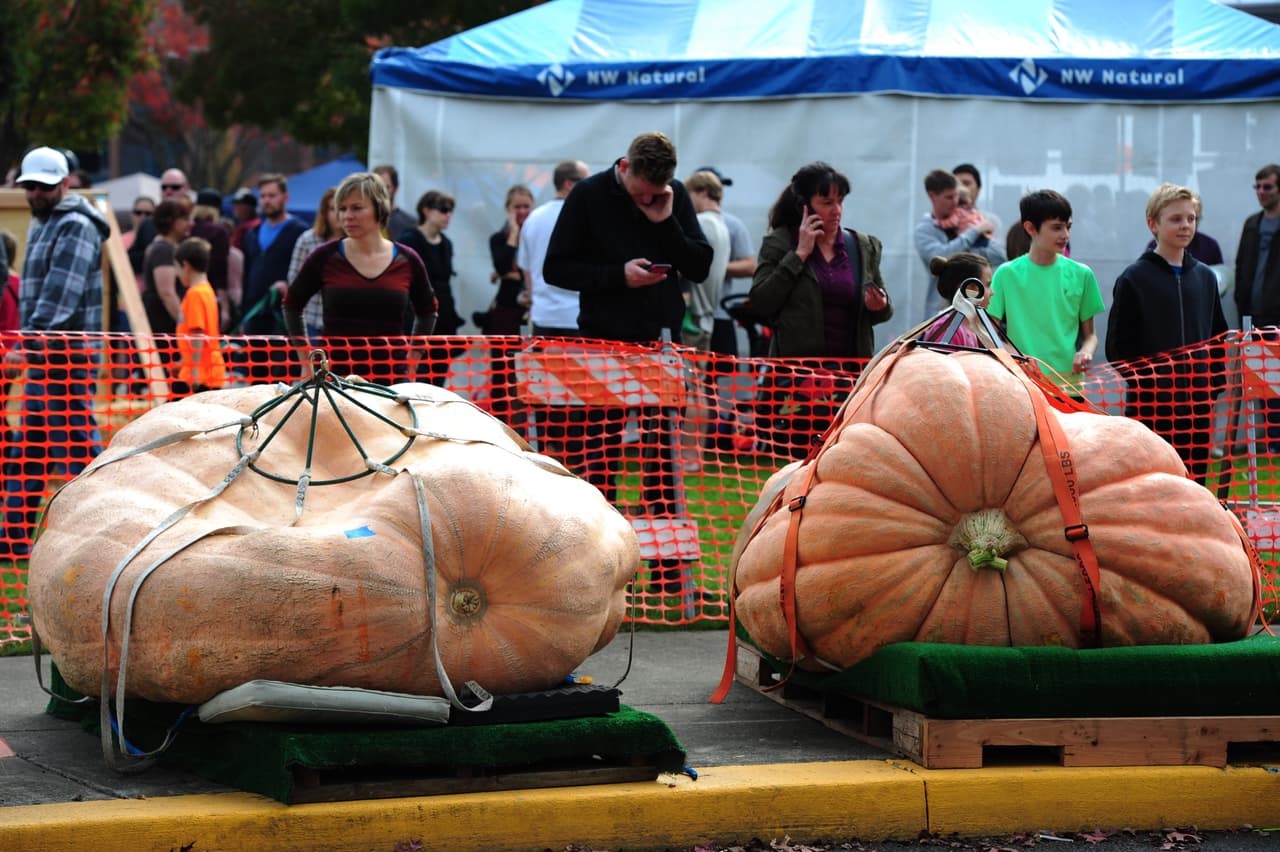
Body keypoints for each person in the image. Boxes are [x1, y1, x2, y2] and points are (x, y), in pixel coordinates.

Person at [542, 130, 712, 526]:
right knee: (600, 451)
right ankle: (599, 540)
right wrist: (618, 276)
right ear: (624, 167)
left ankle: (667, 566)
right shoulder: (588, 195)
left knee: (663, 453)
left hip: (662, 342)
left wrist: (666, 222)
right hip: (603, 342)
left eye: (656, 193)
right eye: (641, 194)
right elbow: (555, 268)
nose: (648, 200)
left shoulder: (674, 196)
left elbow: (701, 265)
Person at [2, 146, 108, 556]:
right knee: (30, 453)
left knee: (81, 456)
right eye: (30, 187)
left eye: (44, 187)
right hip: (46, 359)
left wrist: (23, 347)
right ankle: (11, 540)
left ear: (65, 184)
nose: (36, 194)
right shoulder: (47, 220)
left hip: (66, 361)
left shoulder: (75, 225)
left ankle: (107, 531)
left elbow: (59, 297)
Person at [1106, 184, 1226, 482]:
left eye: (1191, 218)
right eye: (1176, 219)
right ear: (1153, 224)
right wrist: (1148, 384)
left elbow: (1217, 337)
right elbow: (1117, 346)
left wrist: (1211, 387)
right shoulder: (1135, 278)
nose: (1185, 225)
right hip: (1152, 407)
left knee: (1194, 481)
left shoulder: (1205, 277)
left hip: (1198, 406)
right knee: (1153, 481)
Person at [284, 172, 437, 385]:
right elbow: (292, 304)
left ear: (379, 209)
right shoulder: (325, 256)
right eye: (343, 209)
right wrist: (304, 360)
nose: (347, 216)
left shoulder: (407, 259)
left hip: (390, 380)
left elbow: (428, 311)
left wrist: (413, 361)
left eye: (357, 208)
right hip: (333, 379)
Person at [748, 162, 893, 360]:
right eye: (827, 203)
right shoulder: (780, 243)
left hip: (850, 375)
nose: (837, 210)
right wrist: (799, 255)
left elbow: (883, 312)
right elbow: (761, 302)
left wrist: (880, 305)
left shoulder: (862, 246)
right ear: (804, 207)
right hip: (797, 377)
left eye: (840, 201)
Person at [988, 189, 1104, 400]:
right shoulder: (1006, 274)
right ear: (1030, 228)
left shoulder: (1082, 274)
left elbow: (1091, 337)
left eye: (1068, 227)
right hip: (1022, 387)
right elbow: (988, 332)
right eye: (1057, 228)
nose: (1065, 235)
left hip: (1069, 388)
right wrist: (1016, 358)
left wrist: (1086, 352)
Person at [915, 168, 1006, 316]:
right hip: (941, 311)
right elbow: (942, 256)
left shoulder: (975, 220)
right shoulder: (925, 230)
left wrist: (978, 236)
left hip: (977, 312)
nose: (955, 202)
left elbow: (1000, 256)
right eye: (949, 197)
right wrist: (973, 232)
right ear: (932, 196)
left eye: (957, 196)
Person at [397, 189, 463, 387]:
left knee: (439, 377)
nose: (448, 215)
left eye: (450, 210)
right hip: (417, 318)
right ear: (426, 210)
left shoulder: (446, 244)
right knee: (418, 376)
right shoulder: (410, 240)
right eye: (443, 209)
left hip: (444, 319)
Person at [519, 160, 589, 337]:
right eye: (586, 181)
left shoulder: (534, 218)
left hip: (542, 317)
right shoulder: (584, 216)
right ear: (569, 184)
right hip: (577, 317)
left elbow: (526, 269)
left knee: (542, 366)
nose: (590, 187)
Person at [695, 166, 757, 361]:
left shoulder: (733, 224)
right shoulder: (691, 221)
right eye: (714, 185)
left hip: (720, 314)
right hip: (694, 313)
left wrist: (715, 268)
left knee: (719, 379)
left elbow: (750, 265)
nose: (718, 191)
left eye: (720, 186)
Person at [240, 173, 306, 336]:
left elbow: (306, 274)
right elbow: (246, 275)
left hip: (283, 316)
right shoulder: (251, 233)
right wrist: (243, 315)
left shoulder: (299, 231)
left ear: (285, 197)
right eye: (262, 196)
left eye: (272, 195)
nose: (266, 201)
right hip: (254, 312)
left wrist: (289, 286)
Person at [681, 170, 731, 350]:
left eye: (689, 195)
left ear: (703, 192)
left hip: (691, 315)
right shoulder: (722, 225)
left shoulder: (701, 223)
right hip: (707, 317)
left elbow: (683, 263)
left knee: (685, 376)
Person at [141, 197, 193, 368]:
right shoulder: (164, 250)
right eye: (184, 219)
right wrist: (185, 326)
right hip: (164, 329)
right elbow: (167, 293)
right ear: (172, 222)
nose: (189, 223)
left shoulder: (162, 247)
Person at [173, 236, 228, 396]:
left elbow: (197, 333)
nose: (177, 274)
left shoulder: (195, 294)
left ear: (186, 265)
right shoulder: (206, 289)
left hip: (200, 374)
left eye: (177, 268)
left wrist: (195, 370)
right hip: (206, 370)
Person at [287, 186, 339, 340]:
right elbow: (293, 281)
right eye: (332, 208)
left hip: (344, 327)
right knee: (314, 364)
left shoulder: (358, 243)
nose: (337, 214)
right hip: (312, 322)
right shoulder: (308, 240)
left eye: (341, 208)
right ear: (324, 212)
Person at [483, 184, 535, 335]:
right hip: (507, 307)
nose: (522, 211)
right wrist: (513, 233)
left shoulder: (537, 235)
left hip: (531, 309)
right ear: (508, 209)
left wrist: (510, 275)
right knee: (504, 356)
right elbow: (502, 267)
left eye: (526, 206)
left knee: (528, 353)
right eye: (517, 207)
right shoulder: (498, 239)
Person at [1234, 164, 1280, 328]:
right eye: (1258, 186)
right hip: (1250, 316)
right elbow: (1240, 266)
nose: (1261, 191)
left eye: (1267, 187)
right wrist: (1240, 299)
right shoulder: (1251, 224)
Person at [921, 252, 993, 348]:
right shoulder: (948, 331)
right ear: (970, 288)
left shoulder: (972, 329)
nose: (992, 292)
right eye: (988, 285)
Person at [128, 167, 191, 274]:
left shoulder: (196, 221)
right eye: (164, 187)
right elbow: (131, 260)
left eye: (175, 187)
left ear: (187, 189)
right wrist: (154, 254)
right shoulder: (148, 223)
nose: (168, 191)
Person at [952, 163, 1002, 234]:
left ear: (978, 189)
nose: (961, 189)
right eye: (957, 184)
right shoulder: (942, 222)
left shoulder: (991, 221)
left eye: (966, 184)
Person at [374, 164, 417, 239]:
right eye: (376, 187)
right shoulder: (362, 220)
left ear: (396, 188)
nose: (380, 192)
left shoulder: (410, 224)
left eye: (386, 187)